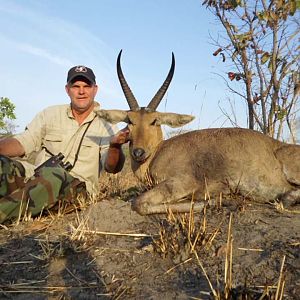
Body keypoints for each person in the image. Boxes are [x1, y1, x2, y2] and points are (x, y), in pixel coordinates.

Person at [0, 65, 129, 224]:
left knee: (55, 175)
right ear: (67, 89)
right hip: (36, 179)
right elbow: (22, 143)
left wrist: (114, 147)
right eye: (76, 86)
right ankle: (18, 202)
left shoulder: (107, 124)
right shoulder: (49, 114)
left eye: (86, 86)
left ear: (95, 89)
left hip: (76, 192)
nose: (81, 91)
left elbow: (112, 167)